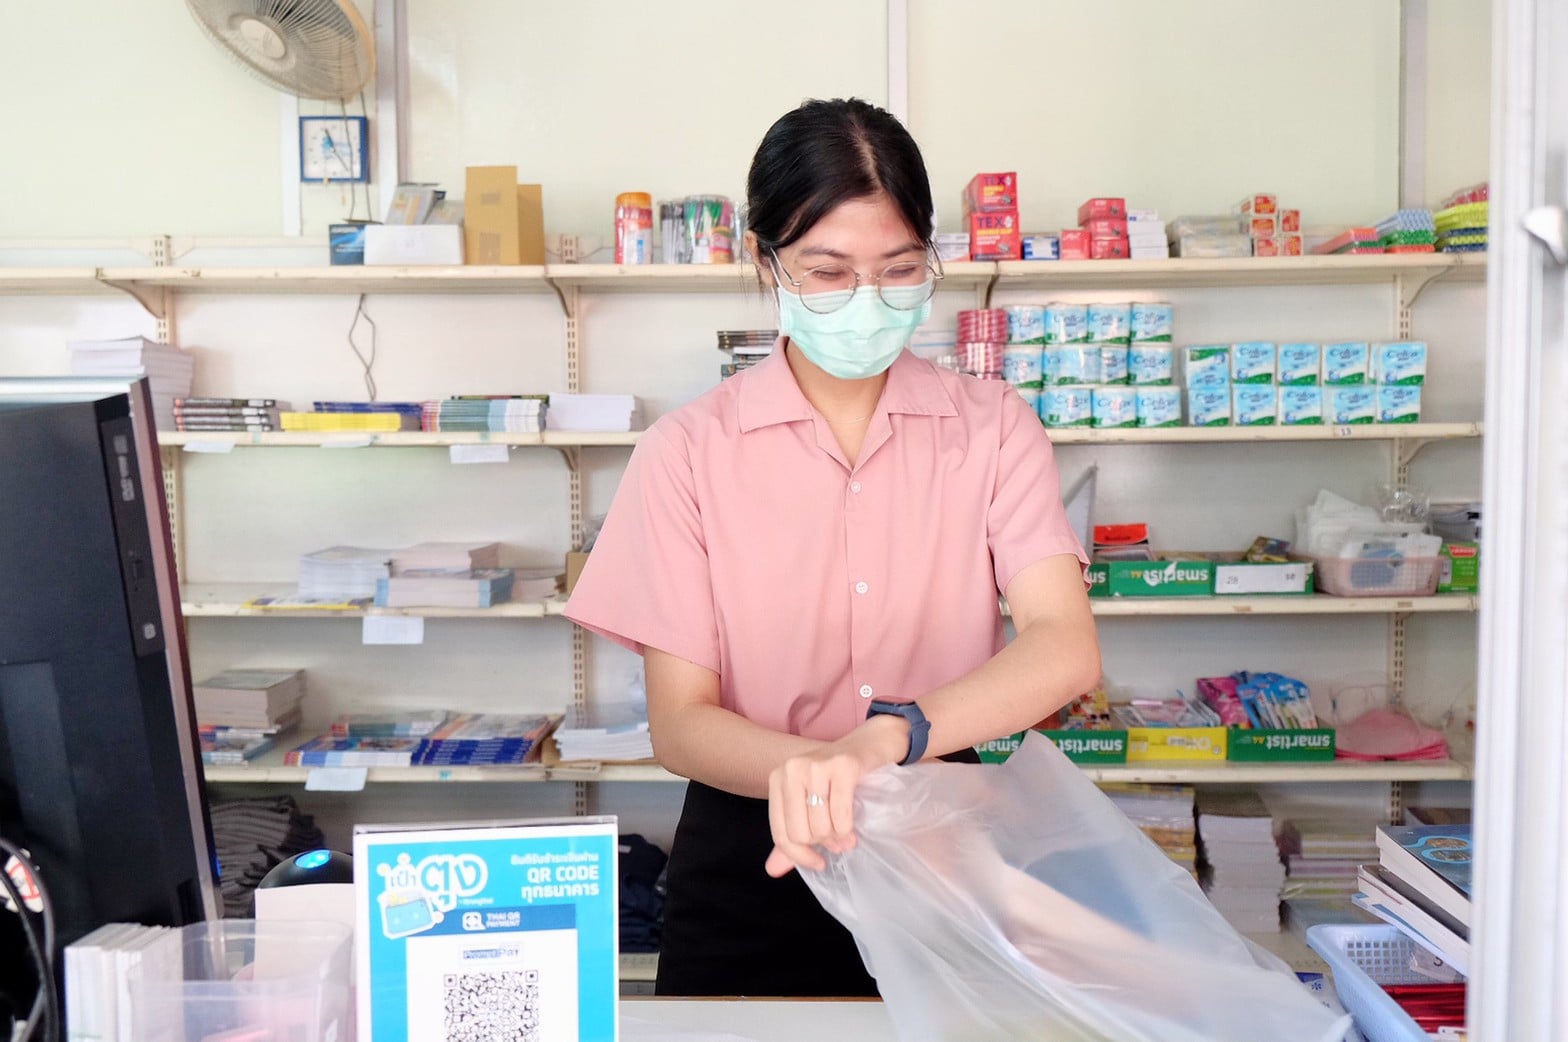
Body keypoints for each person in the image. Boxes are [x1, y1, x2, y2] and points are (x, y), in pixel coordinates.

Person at [564, 97, 1100, 997]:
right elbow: (681, 721)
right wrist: (824, 770)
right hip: (749, 860)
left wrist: (883, 743)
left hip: (941, 841)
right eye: (826, 271)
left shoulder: (992, 427)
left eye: (898, 269)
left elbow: (1062, 644)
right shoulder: (689, 451)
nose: (866, 299)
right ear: (763, 261)